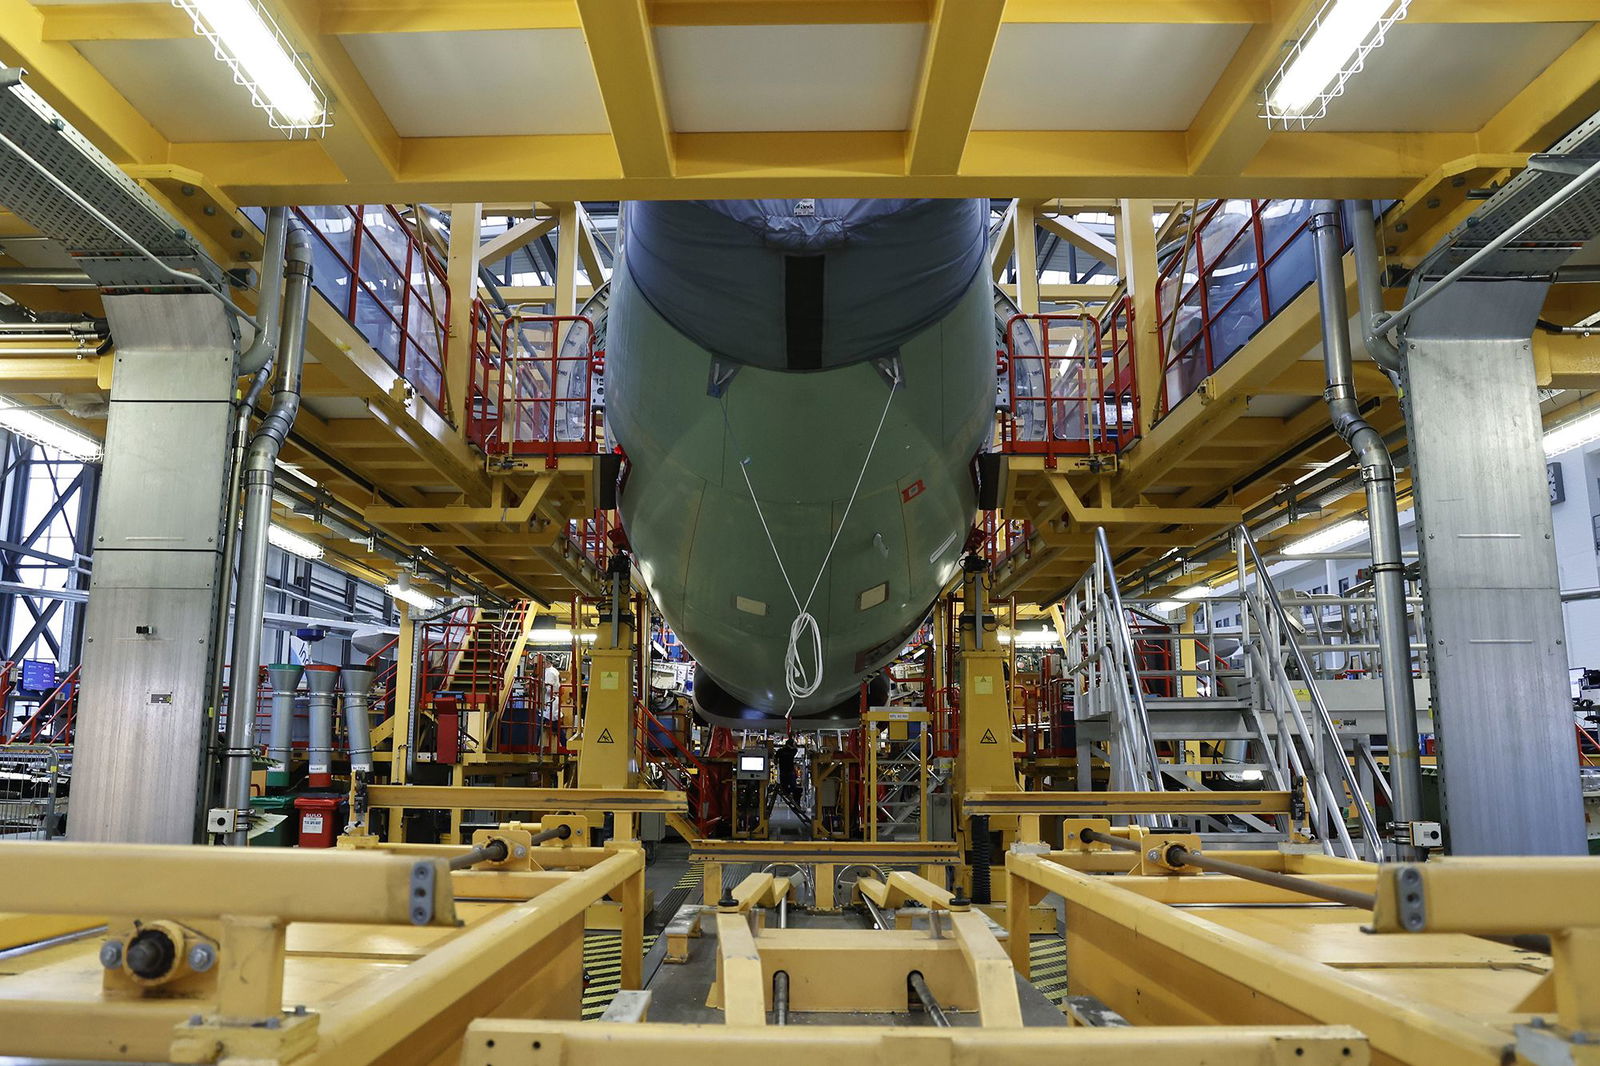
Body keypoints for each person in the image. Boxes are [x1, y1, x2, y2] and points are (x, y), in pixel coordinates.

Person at [541, 658, 563, 751]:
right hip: (553, 699)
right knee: (553, 723)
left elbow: (548, 688)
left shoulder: (549, 672)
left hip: (551, 700)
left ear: (547, 662)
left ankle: (565, 745)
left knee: (542, 722)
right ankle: (565, 745)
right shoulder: (554, 671)